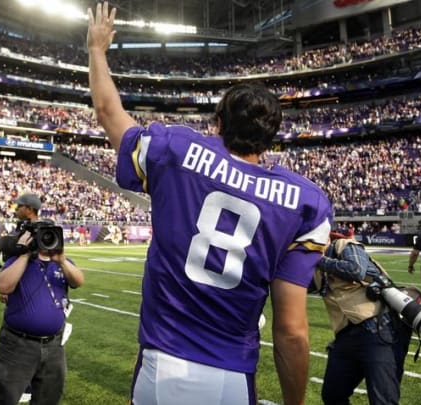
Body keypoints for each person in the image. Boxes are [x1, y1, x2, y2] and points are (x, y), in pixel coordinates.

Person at [88, 3, 333, 404]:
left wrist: (97, 50)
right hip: (232, 375)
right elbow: (291, 330)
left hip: (161, 363)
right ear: (271, 137)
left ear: (218, 124)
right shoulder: (303, 201)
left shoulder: (177, 150)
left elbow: (107, 111)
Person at [0, 195, 84, 405]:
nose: (46, 240)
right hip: (18, 345)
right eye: (43, 236)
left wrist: (61, 260)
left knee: (48, 398)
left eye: (49, 235)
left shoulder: (61, 262)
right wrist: (26, 254)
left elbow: (79, 281)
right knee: (4, 397)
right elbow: (4, 286)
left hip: (54, 346)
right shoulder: (20, 260)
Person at [314, 232, 412, 405]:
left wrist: (318, 260)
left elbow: (356, 269)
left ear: (326, 237)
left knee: (383, 400)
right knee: (332, 394)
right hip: (345, 334)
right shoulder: (315, 269)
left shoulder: (344, 245)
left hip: (377, 327)